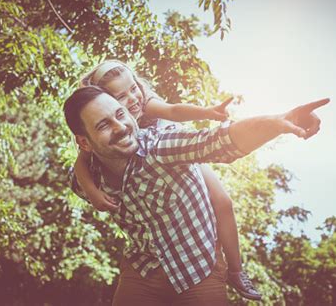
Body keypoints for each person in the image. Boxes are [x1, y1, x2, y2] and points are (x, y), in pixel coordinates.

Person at [64, 85, 329, 305]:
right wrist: (87, 182)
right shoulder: (86, 180)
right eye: (103, 125)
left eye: (120, 114)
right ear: (85, 143)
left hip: (199, 268)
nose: (120, 127)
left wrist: (277, 122)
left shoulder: (160, 146)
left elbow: (220, 140)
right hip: (141, 270)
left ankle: (236, 271)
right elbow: (77, 173)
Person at [72, 60, 260, 300]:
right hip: (156, 167)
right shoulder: (103, 127)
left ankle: (235, 271)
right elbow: (81, 162)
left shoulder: (147, 105)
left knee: (223, 202)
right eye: (121, 96)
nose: (133, 98)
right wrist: (92, 191)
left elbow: (173, 111)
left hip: (177, 153)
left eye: (133, 88)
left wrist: (207, 112)